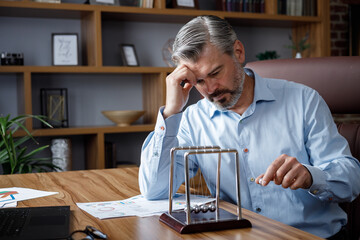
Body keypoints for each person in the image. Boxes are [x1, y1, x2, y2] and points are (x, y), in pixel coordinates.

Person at [138, 15, 360, 239]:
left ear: (238, 52)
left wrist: (312, 176)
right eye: (199, 81)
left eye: (215, 73)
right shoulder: (192, 119)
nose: (210, 89)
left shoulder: (304, 100)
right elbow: (154, 190)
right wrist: (171, 112)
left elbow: (351, 180)